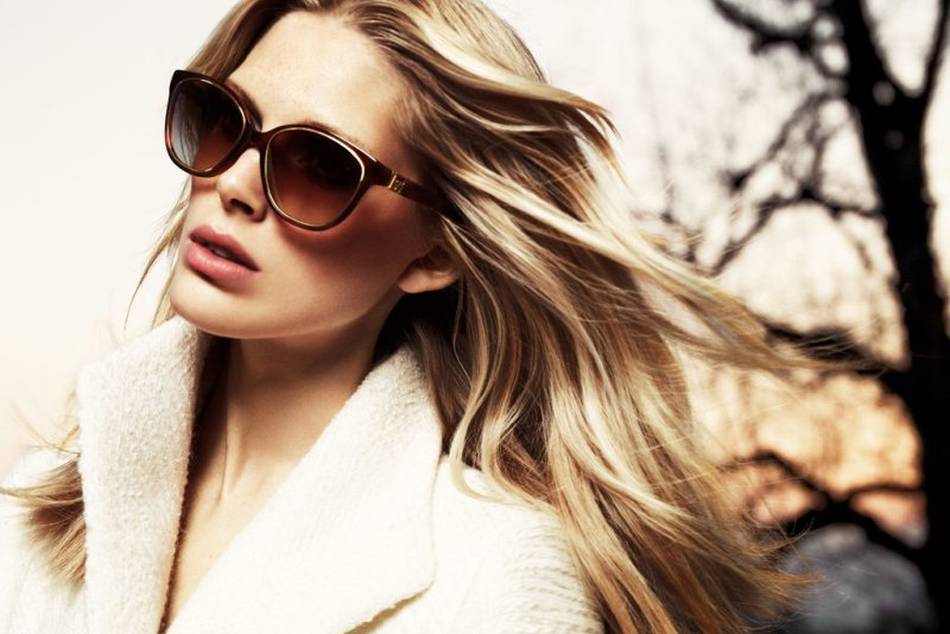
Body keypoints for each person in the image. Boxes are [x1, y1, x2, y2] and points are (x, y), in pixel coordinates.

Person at [0, 0, 840, 632]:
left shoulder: (498, 581)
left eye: (319, 165)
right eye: (223, 121)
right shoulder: (30, 511)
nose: (234, 184)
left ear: (434, 253)